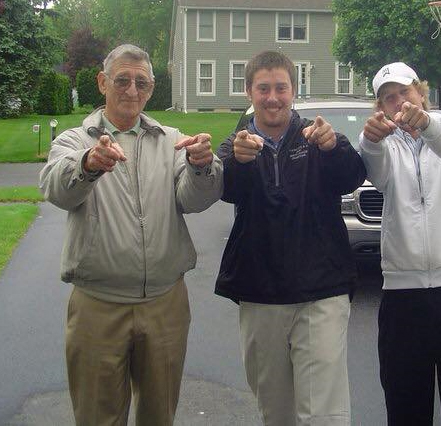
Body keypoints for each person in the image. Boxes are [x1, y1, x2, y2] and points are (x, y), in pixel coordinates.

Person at [39, 44, 223, 426]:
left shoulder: (170, 138)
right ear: (103, 83)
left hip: (165, 304)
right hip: (98, 305)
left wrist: (201, 166)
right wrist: (88, 165)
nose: (132, 90)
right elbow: (57, 189)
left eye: (141, 82)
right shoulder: (75, 140)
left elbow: (193, 200)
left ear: (152, 88)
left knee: (159, 415)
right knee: (97, 415)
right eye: (122, 80)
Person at [214, 50, 367, 426]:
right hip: (261, 293)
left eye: (281, 88)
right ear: (249, 91)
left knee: (324, 412)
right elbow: (225, 189)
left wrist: (335, 148)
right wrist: (239, 160)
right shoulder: (236, 145)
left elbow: (352, 176)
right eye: (263, 88)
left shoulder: (318, 137)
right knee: (275, 408)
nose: (272, 97)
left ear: (293, 91)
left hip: (322, 291)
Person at [360, 62, 441, 426]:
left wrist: (427, 124)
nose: (399, 101)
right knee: (405, 405)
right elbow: (376, 169)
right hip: (404, 295)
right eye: (389, 98)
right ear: (380, 108)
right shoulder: (384, 145)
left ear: (422, 93)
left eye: (405, 92)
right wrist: (369, 139)